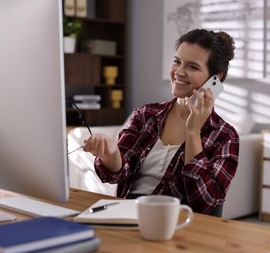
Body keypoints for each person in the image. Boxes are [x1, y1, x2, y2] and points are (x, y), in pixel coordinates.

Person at [83, 28, 239, 215]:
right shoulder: (146, 114)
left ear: (216, 78)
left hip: (180, 221)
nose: (179, 72)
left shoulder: (225, 136)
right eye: (177, 62)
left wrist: (192, 131)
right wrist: (110, 153)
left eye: (192, 67)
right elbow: (116, 173)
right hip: (129, 214)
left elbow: (205, 202)